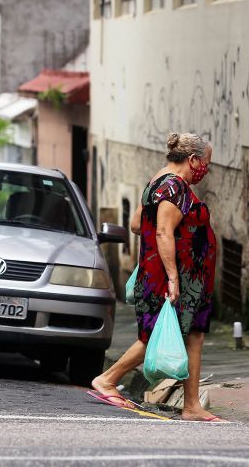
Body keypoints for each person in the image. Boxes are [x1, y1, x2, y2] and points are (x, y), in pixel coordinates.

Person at [89, 132, 221, 422]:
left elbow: (137, 223)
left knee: (194, 336)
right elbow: (162, 231)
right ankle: (108, 379)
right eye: (206, 162)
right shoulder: (174, 187)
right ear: (193, 159)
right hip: (170, 277)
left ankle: (191, 406)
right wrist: (173, 277)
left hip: (190, 279)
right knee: (153, 336)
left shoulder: (160, 181)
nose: (207, 168)